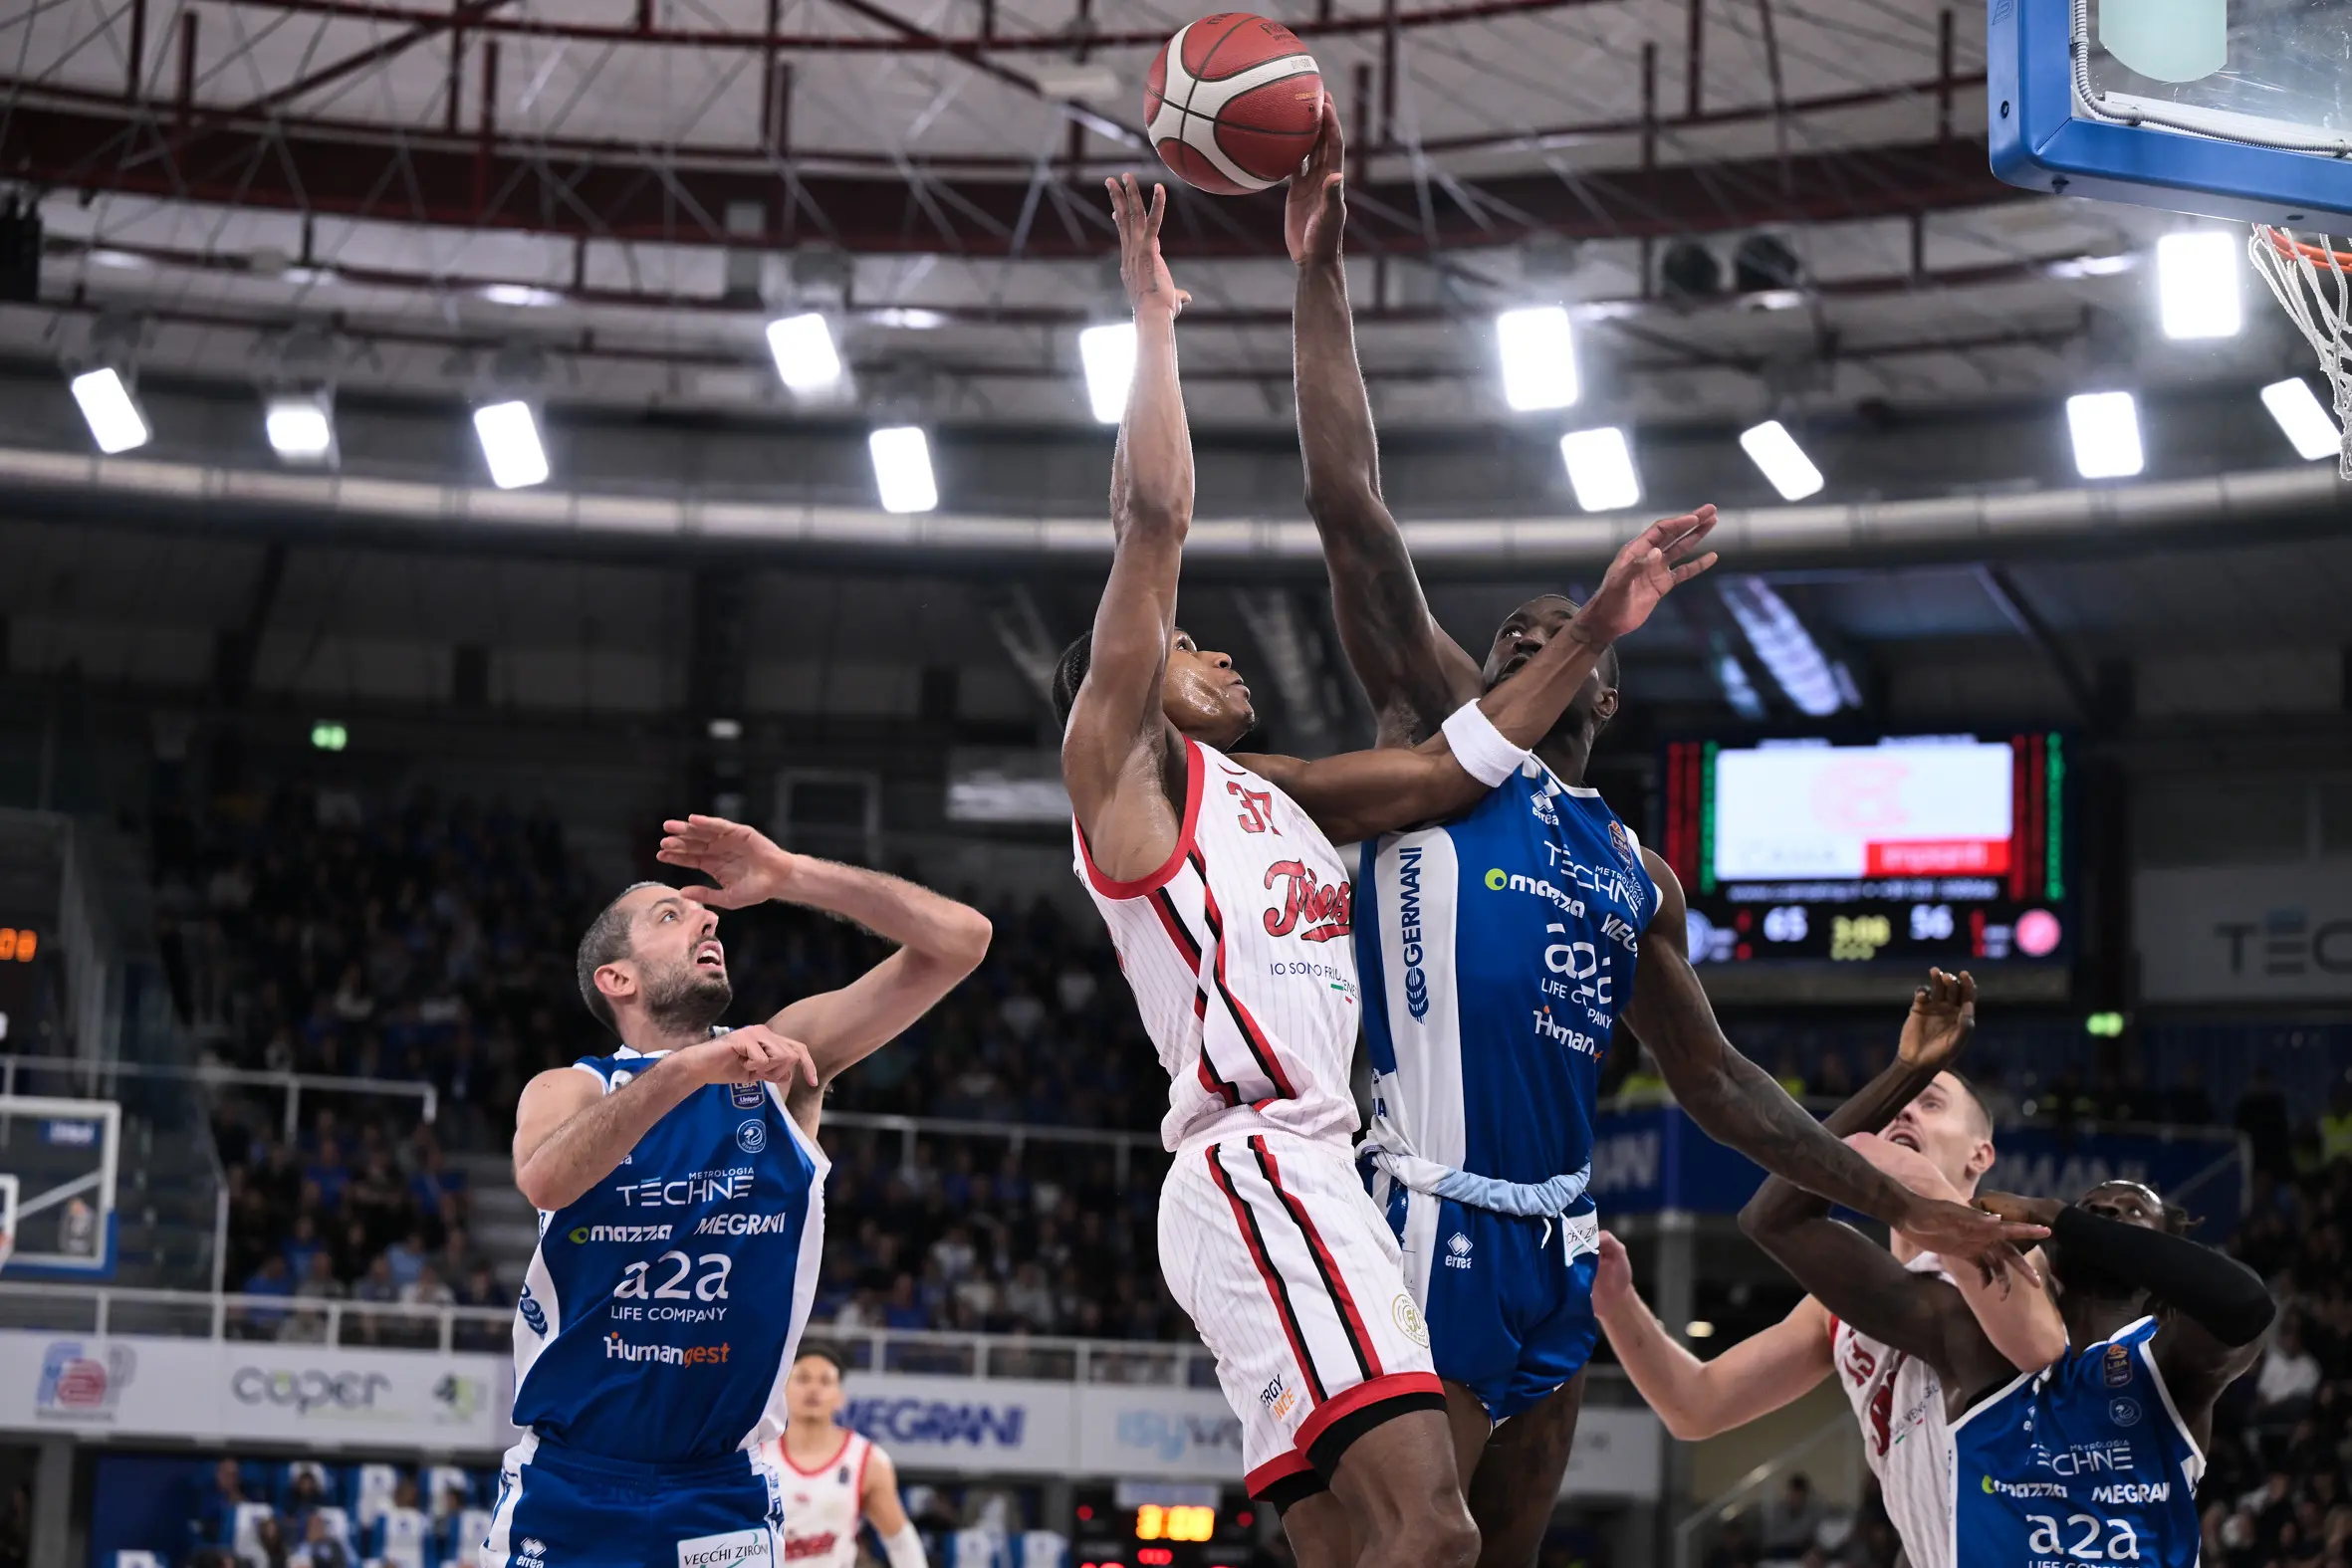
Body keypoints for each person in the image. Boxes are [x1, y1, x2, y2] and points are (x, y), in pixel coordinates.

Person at [1282, 104, 2044, 1567]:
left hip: (1556, 1239)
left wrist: (1912, 1210)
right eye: (1505, 638)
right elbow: (1350, 513)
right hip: (1420, 1205)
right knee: (1413, 1549)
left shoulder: (1634, 872)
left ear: (1606, 691)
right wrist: (1319, 273)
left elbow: (1722, 1085)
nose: (1522, 641)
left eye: (1549, 633)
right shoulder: (1444, 754)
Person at [1059, 173, 1734, 1568]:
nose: (1217, 651)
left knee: (1379, 1545)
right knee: (1433, 1534)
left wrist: (1594, 629)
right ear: (1124, 687)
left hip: (1334, 1169)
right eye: (1186, 648)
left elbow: (1446, 770)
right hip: (1270, 1157)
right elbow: (1166, 516)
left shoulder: (1291, 797)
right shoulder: (1129, 772)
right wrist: (1154, 315)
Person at [486, 817, 991, 1567]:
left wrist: (791, 875)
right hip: (566, 1485)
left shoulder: (780, 1063)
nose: (707, 918)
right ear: (617, 978)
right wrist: (692, 1066)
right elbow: (546, 1178)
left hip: (721, 1490)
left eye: (704, 912)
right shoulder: (571, 1087)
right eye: (670, 915)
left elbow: (962, 940)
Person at [1593, 973, 2065, 1566]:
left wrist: (1913, 1168)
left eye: (1931, 1103)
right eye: (1897, 1108)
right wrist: (1616, 1301)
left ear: (1981, 1154)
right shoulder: (1836, 1308)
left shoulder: (2028, 1255)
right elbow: (1696, 1405)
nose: (1906, 1113)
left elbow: (2039, 1348)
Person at [1743, 1045, 2276, 1565]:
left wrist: (2057, 1213)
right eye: (2091, 1206)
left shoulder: (2169, 1360)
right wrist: (1892, 1092)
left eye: (2132, 1210)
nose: (2107, 1209)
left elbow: (2248, 1304)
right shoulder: (1973, 1341)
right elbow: (1774, 1220)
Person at [755, 1346, 922, 1568]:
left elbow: (900, 1541)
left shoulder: (867, 1460)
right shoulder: (755, 1453)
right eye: (803, 1379)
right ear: (783, 1389)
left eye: (825, 1381)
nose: (813, 1389)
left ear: (840, 1397)